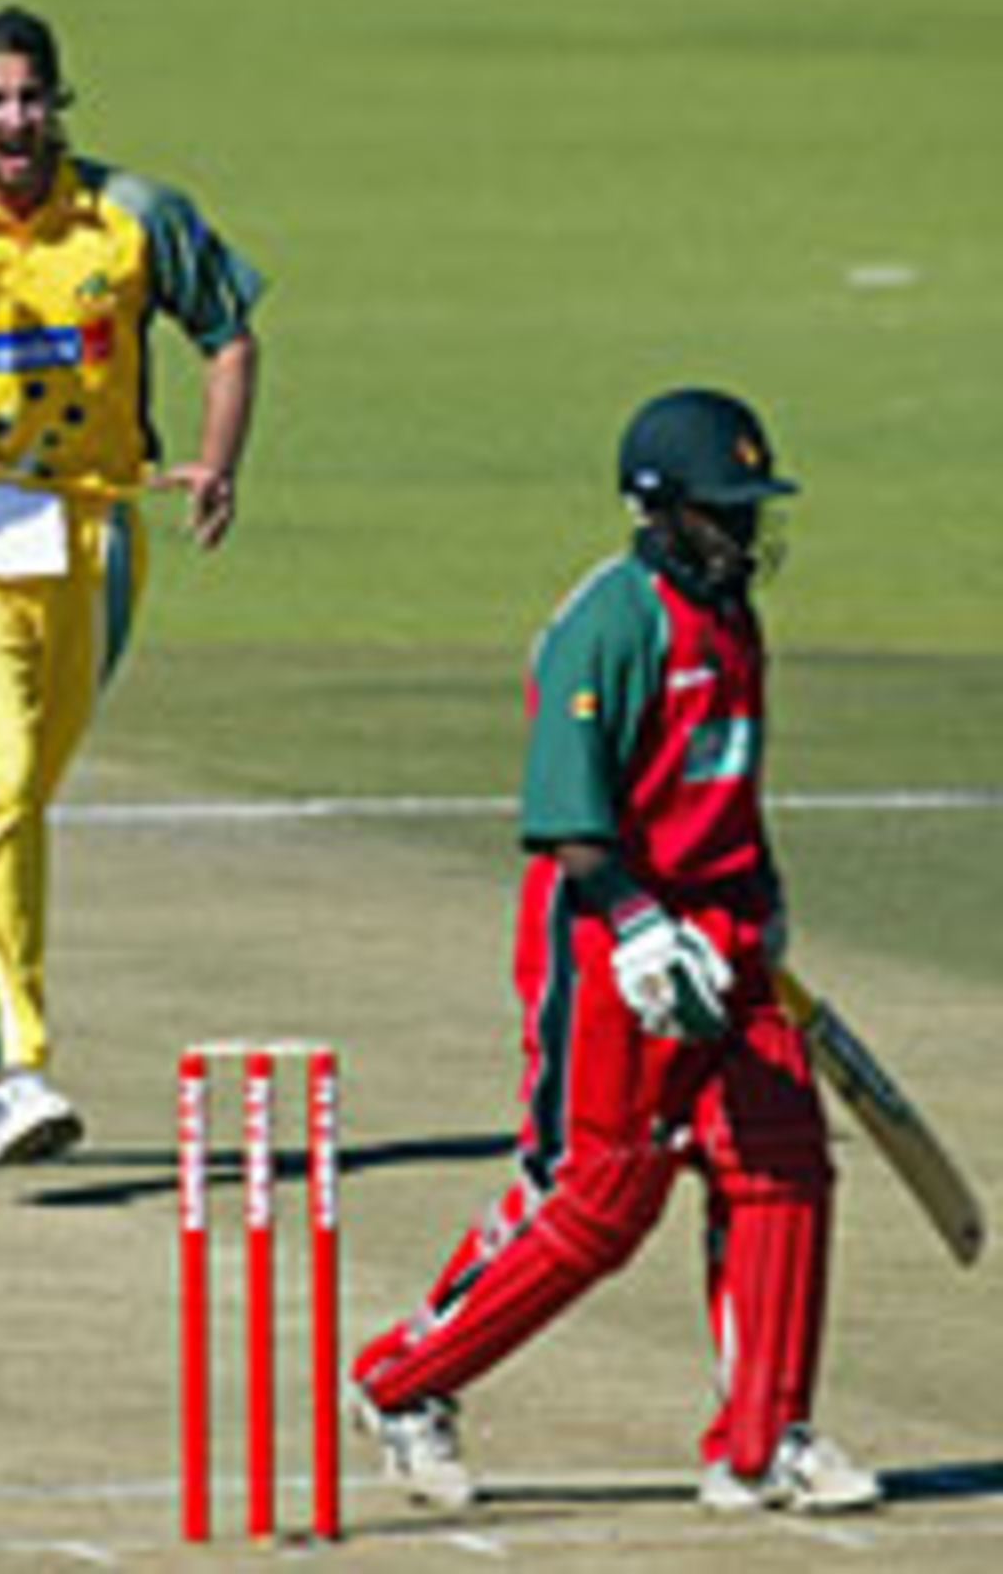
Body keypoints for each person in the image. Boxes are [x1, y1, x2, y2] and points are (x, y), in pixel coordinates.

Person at [350, 388, 881, 1515]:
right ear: (659, 509)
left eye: (748, 510)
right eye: (721, 511)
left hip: (727, 931)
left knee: (782, 1163)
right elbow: (566, 815)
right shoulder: (610, 620)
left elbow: (730, 781)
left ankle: (762, 1439)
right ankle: (403, 1386)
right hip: (606, 931)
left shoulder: (734, 615)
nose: (742, 533)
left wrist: (764, 900)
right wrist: (640, 927)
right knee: (597, 1197)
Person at [0, 7, 263, 1165]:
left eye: (31, 97)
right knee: (3, 784)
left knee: (2, 789)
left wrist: (219, 457)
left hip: (99, 528)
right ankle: (7, 1068)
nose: (16, 120)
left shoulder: (131, 214)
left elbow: (228, 332)